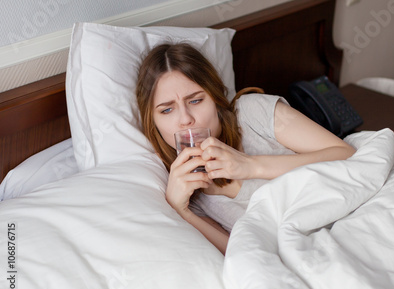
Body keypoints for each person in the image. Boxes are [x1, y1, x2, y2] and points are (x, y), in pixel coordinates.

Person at [136, 43, 356, 255]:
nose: (186, 119)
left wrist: (251, 165)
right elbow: (243, 253)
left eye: (195, 101)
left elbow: (347, 155)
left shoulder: (251, 113)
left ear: (214, 98)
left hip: (350, 223)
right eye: (167, 110)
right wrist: (181, 211)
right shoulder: (186, 191)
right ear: (152, 122)